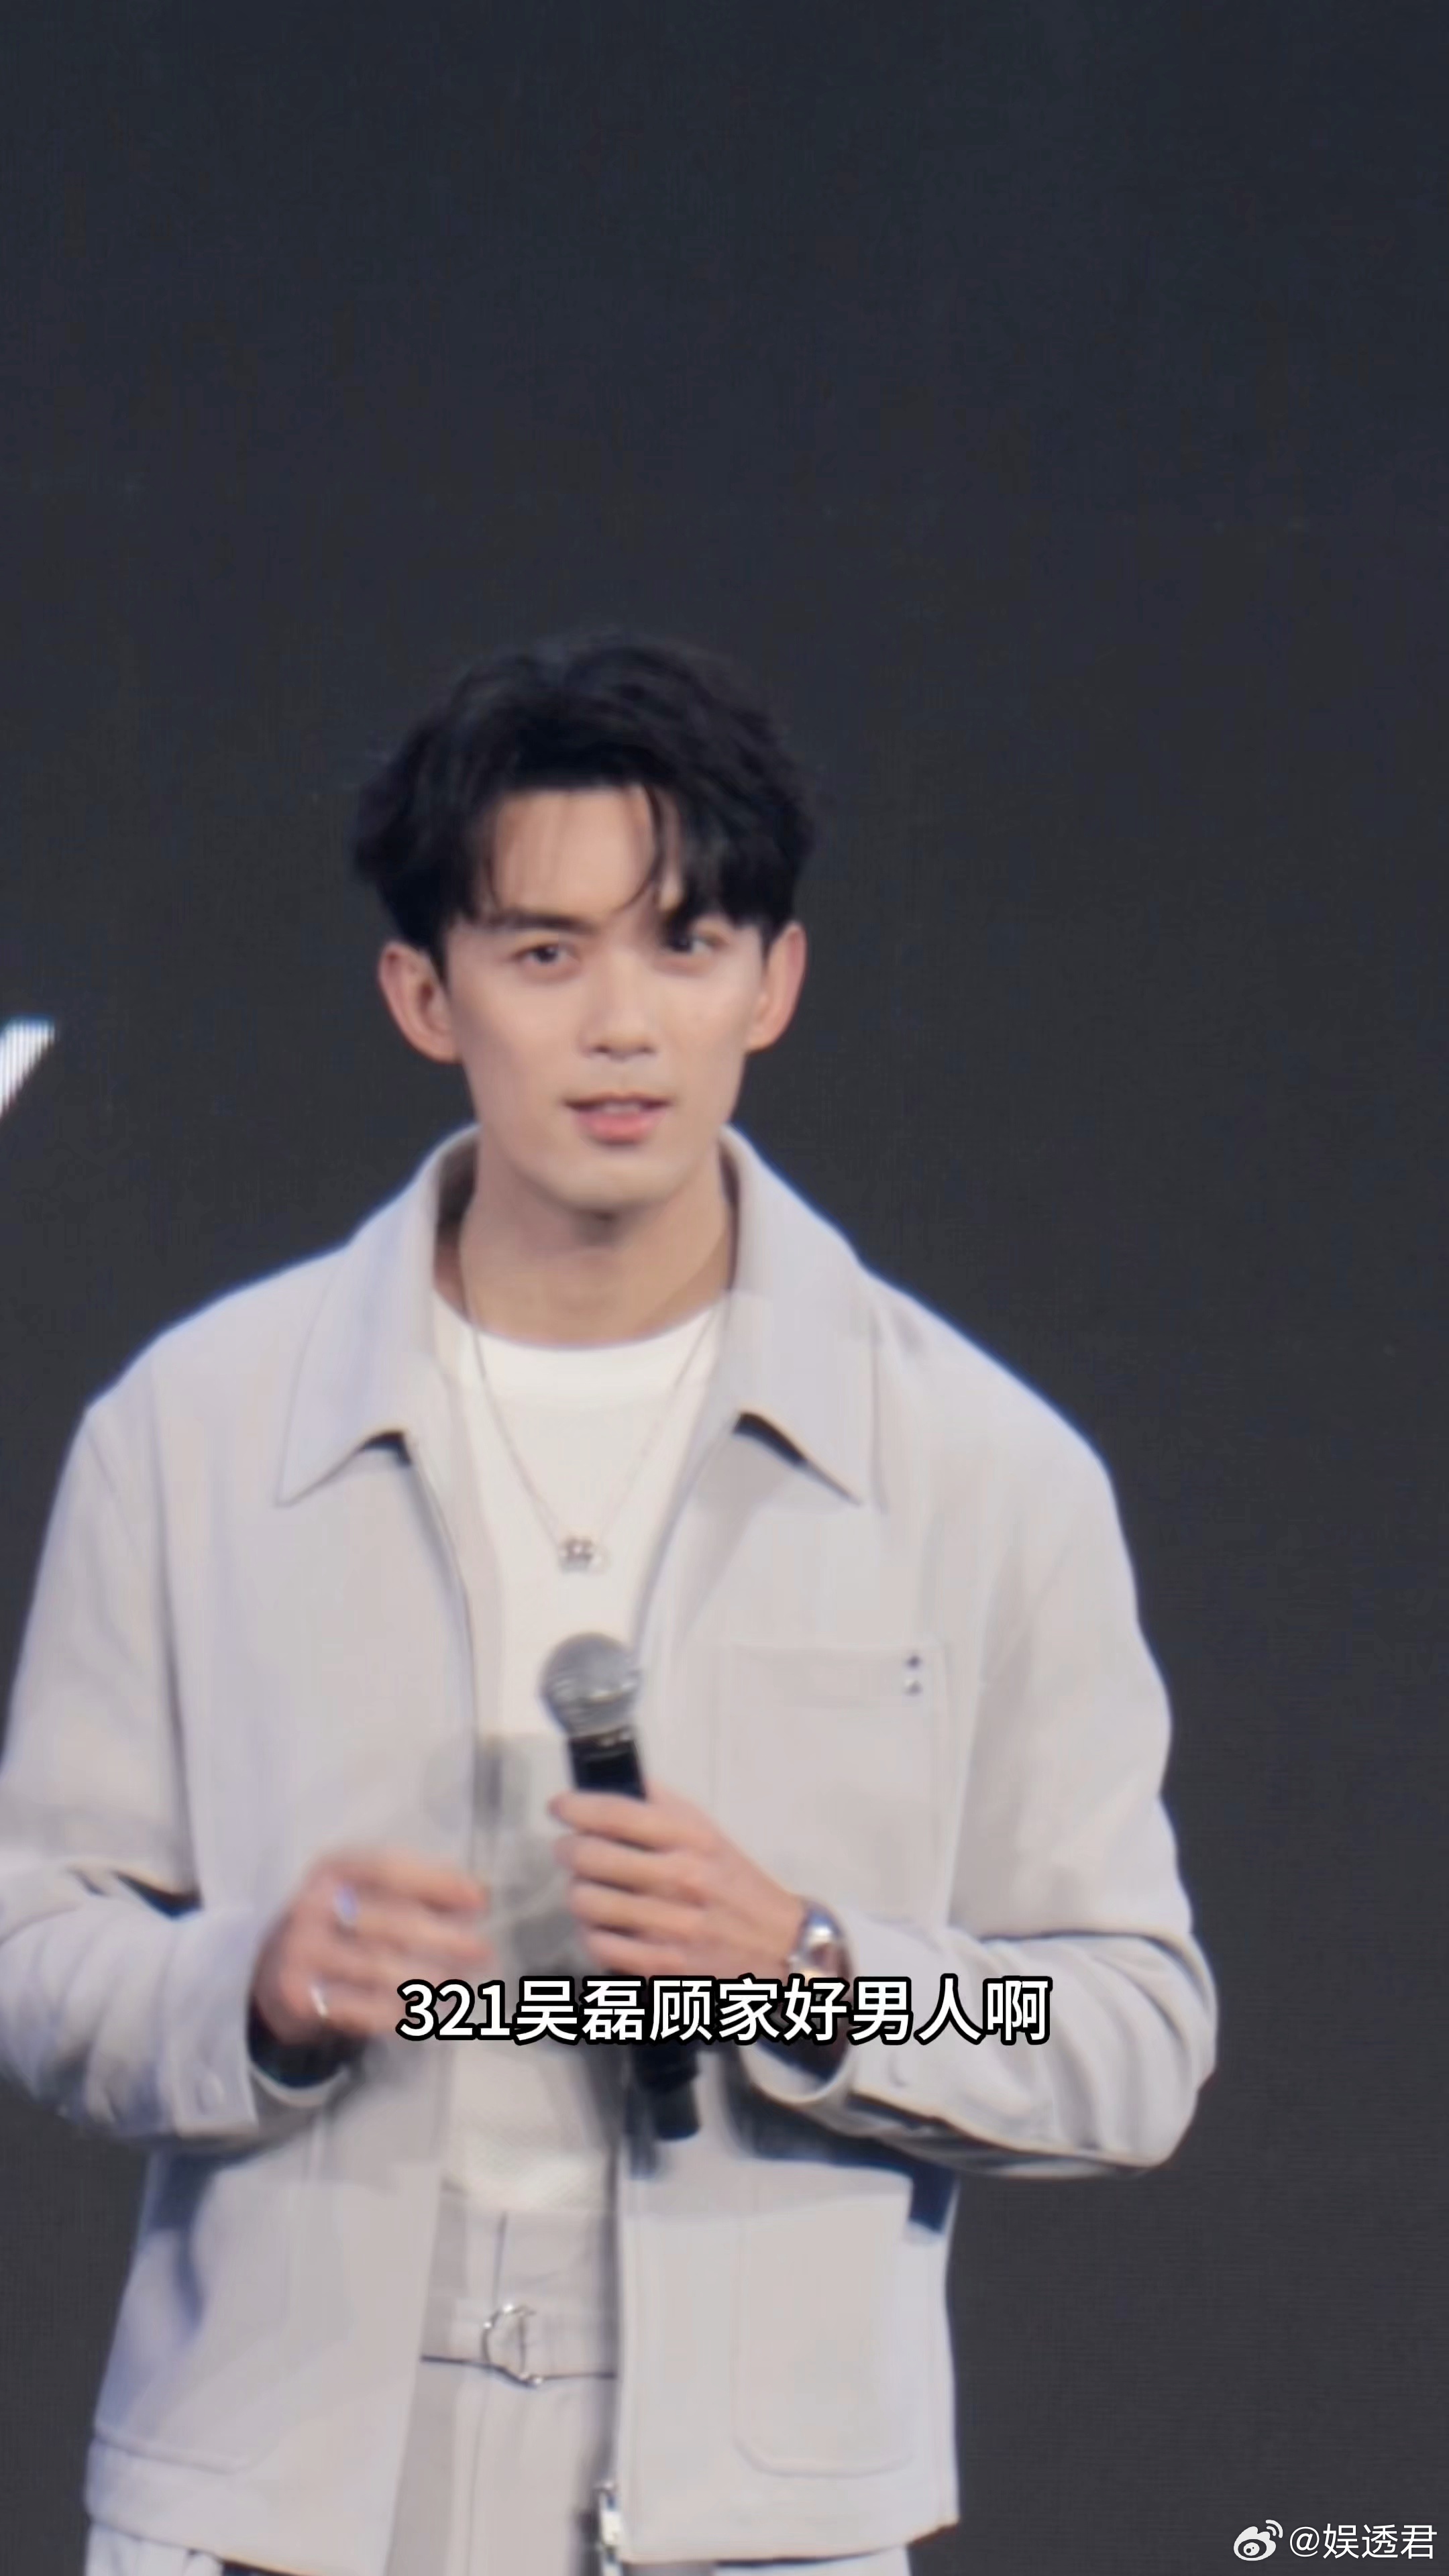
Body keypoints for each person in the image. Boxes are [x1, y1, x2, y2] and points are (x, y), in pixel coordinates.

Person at [0, 631, 1216, 2576]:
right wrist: (250, 1988)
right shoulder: (195, 1429)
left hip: (758, 2514)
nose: (624, 1026)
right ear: (427, 994)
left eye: (686, 944)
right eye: (546, 953)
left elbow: (1131, 2031)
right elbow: (37, 1941)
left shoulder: (983, 1467)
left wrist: (811, 1969)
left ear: (776, 983)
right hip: (267, 2495)